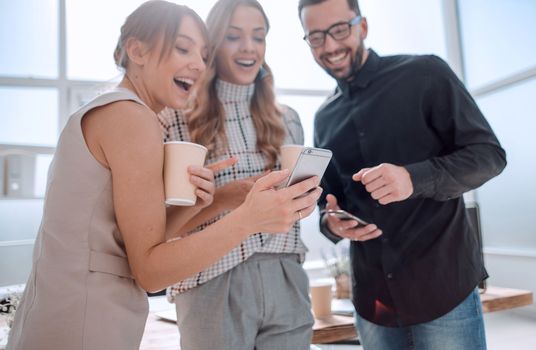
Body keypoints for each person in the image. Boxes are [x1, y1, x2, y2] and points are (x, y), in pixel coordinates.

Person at [6, 2, 322, 350]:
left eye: (203, 54)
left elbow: (137, 237)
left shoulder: (118, 111)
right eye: (183, 48)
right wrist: (247, 219)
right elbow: (150, 268)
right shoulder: (131, 117)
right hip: (84, 319)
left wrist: (219, 198)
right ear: (136, 50)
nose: (199, 64)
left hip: (77, 313)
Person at [298, 0, 507, 349]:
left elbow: (489, 156)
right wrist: (330, 222)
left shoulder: (426, 74)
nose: (330, 46)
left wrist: (414, 178)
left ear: (362, 27)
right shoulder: (324, 118)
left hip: (445, 292)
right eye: (317, 37)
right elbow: (329, 199)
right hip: (372, 303)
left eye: (339, 30)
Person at [157, 0, 315, 349]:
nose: (248, 47)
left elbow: (293, 211)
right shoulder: (176, 119)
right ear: (211, 45)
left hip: (285, 273)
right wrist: (225, 198)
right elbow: (162, 227)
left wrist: (303, 200)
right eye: (233, 36)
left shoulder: (288, 119)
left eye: (258, 37)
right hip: (211, 279)